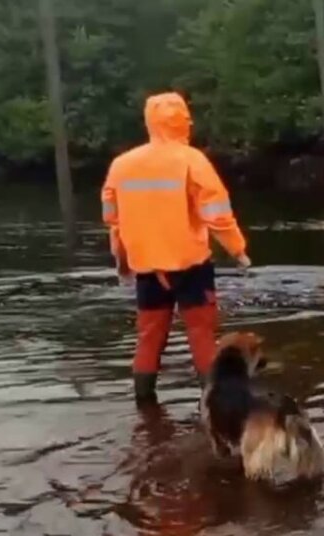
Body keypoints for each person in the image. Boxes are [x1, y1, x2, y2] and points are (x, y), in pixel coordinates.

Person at [101, 92, 251, 405]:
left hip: (146, 267)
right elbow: (217, 212)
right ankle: (214, 405)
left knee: (149, 337)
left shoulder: (122, 164)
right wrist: (237, 249)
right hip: (189, 263)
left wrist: (121, 259)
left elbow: (112, 219)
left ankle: (144, 405)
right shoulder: (191, 159)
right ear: (184, 121)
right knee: (201, 334)